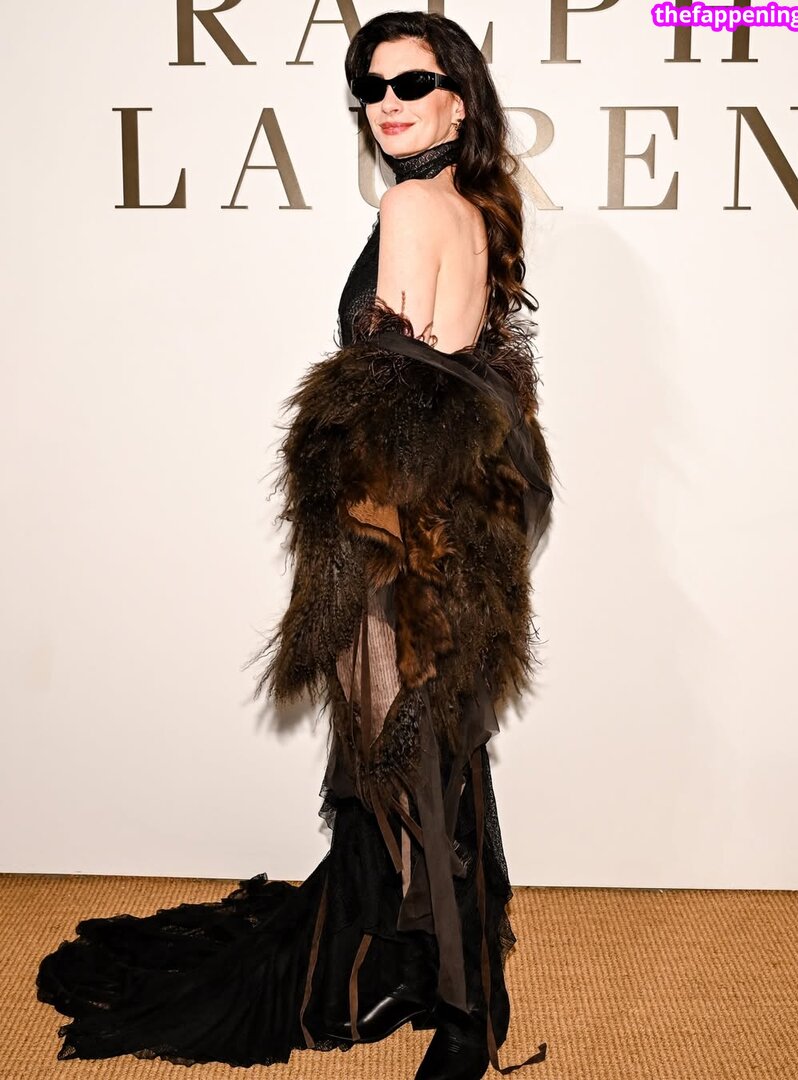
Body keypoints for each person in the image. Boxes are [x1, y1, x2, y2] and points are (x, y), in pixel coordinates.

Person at [35, 12, 553, 1080]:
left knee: (411, 769)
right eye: (372, 87)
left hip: (397, 522)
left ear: (459, 98)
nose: (388, 105)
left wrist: (353, 521)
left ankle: (466, 1020)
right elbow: (466, 373)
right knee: (439, 759)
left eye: (412, 83)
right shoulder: (476, 208)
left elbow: (390, 381)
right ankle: (439, 975)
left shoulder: (408, 203)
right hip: (452, 518)